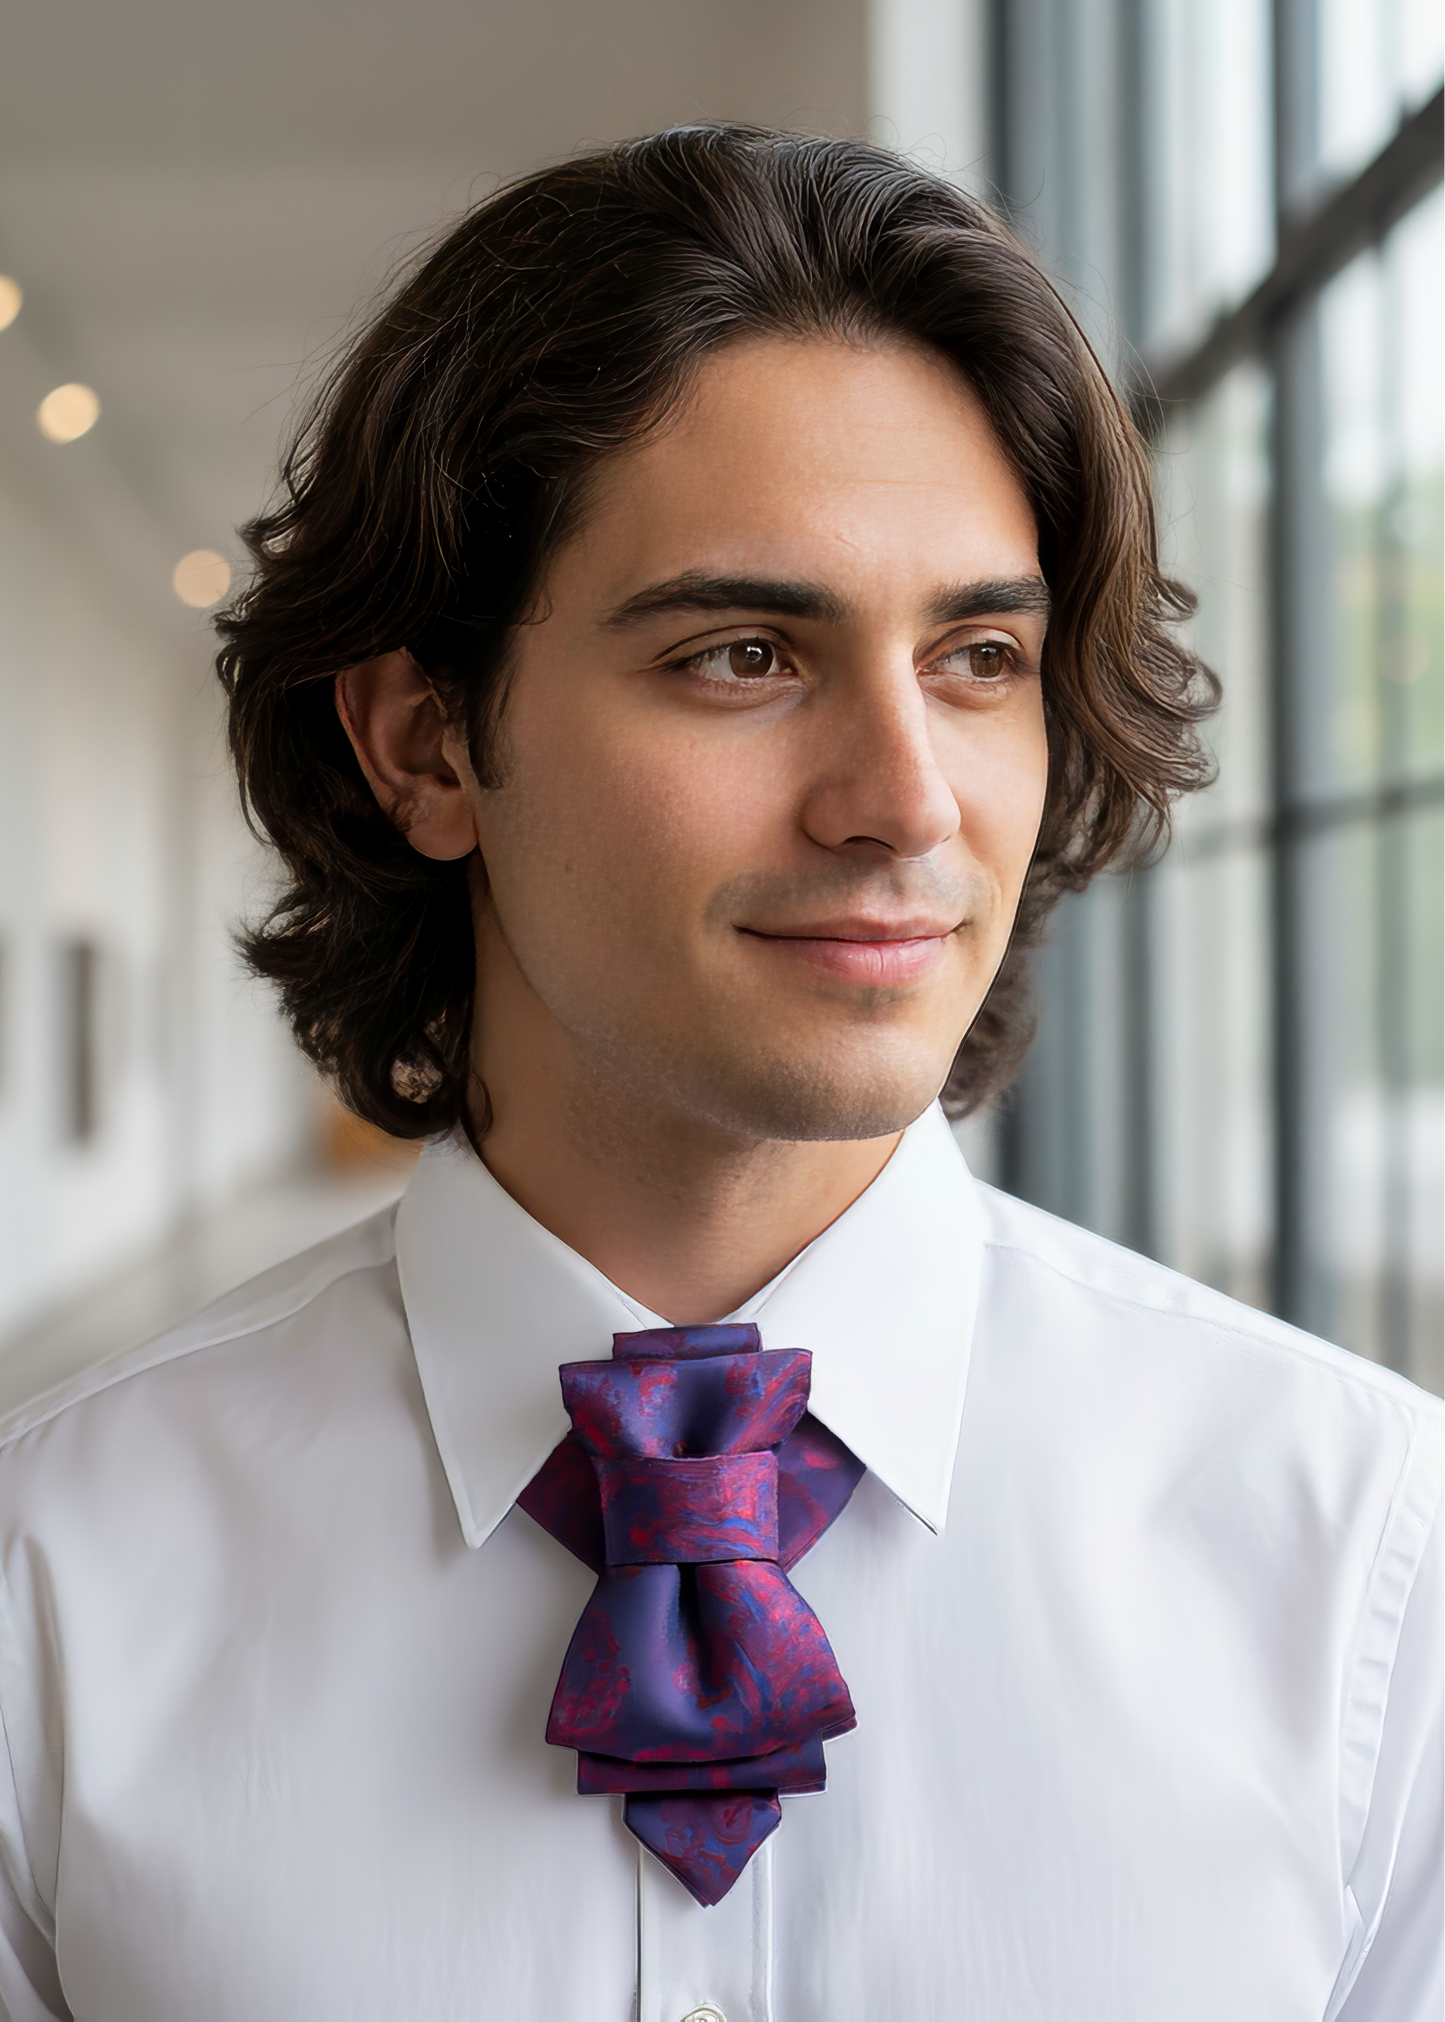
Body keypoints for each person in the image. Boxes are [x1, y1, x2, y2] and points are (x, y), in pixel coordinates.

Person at [0, 127, 1437, 2022]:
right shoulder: (51, 1593)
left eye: (982, 655)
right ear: (427, 745)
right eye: (747, 653)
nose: (907, 800)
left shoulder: (1366, 1567)